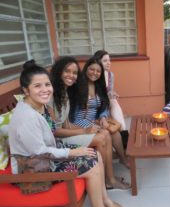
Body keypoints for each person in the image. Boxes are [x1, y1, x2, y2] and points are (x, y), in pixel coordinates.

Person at [8, 60, 123, 207]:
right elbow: (39, 152)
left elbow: (53, 131)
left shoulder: (38, 106)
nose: (45, 90)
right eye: (37, 86)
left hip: (44, 157)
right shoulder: (26, 116)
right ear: (26, 90)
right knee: (91, 163)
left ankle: (105, 200)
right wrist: (71, 152)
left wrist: (75, 146)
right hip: (32, 168)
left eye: (47, 85)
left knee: (93, 153)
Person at [48, 56, 130, 190]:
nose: (71, 76)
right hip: (66, 134)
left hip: (79, 125)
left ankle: (111, 177)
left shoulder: (65, 92)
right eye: (67, 71)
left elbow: (103, 105)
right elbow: (59, 127)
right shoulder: (67, 90)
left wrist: (102, 118)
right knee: (104, 136)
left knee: (108, 133)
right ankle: (108, 180)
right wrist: (85, 129)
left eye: (74, 73)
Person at [71, 57, 130, 169]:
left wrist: (103, 117)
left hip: (94, 120)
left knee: (115, 132)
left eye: (98, 71)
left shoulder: (99, 86)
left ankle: (123, 159)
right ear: (86, 69)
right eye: (92, 69)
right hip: (79, 121)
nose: (95, 73)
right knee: (105, 132)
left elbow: (104, 106)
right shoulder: (78, 86)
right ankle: (107, 169)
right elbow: (73, 115)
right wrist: (92, 123)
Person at [94, 50, 126, 131]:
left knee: (113, 100)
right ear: (98, 62)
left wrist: (112, 93)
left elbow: (109, 91)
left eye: (109, 60)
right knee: (113, 102)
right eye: (105, 61)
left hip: (106, 101)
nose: (108, 63)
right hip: (96, 103)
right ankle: (123, 130)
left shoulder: (110, 75)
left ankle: (123, 129)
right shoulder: (94, 75)